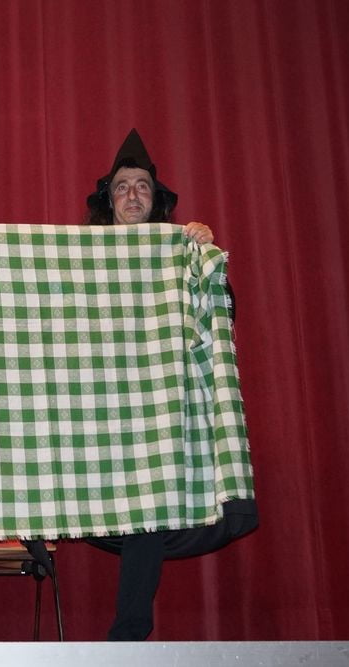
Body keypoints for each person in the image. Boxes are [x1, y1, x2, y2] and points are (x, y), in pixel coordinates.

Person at [84, 129, 258, 641]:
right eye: (122, 187)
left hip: (156, 411)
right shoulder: (82, 255)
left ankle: (129, 635)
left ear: (155, 200)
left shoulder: (179, 252)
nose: (132, 194)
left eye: (142, 186)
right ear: (109, 201)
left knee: (149, 506)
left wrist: (204, 258)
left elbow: (222, 313)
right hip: (95, 409)